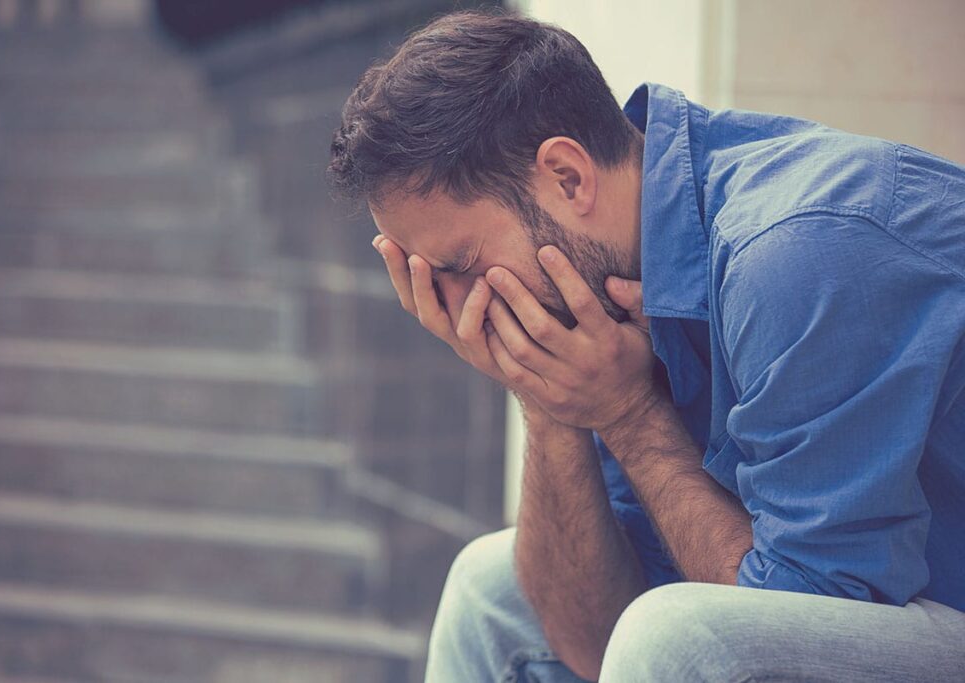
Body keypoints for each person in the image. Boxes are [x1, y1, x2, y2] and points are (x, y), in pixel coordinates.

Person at [327, 9, 965, 683]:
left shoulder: (797, 252)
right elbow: (593, 647)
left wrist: (630, 414)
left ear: (568, 178)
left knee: (680, 637)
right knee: (489, 591)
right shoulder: (617, 276)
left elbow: (787, 625)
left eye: (458, 266)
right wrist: (550, 401)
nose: (459, 315)